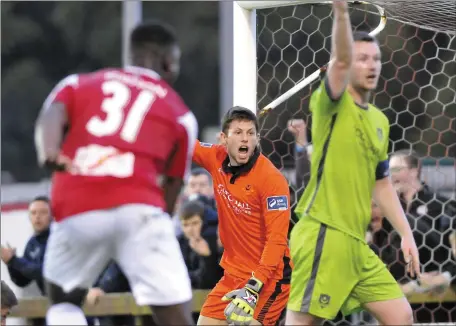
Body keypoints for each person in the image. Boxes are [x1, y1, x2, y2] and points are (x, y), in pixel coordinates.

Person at [34, 21, 198, 326]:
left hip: (77, 200)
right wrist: (154, 225)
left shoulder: (78, 82)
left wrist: (50, 151)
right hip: (140, 206)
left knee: (63, 302)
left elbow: (53, 112)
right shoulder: (180, 113)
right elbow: (173, 184)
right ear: (166, 63)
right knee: (174, 308)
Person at [286, 1, 420, 325]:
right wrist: (342, 12)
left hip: (356, 245)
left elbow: (382, 182)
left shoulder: (380, 121)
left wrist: (405, 233)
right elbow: (341, 59)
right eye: (362, 58)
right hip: (323, 234)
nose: (371, 65)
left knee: (401, 316)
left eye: (375, 58)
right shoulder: (330, 102)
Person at [194, 106, 292, 326]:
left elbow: (277, 240)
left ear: (257, 139)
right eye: (238, 133)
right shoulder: (215, 158)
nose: (245, 139)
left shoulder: (272, 180)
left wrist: (253, 286)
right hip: (234, 273)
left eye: (250, 133)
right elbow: (183, 144)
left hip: (269, 279)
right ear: (223, 139)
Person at [2, 196, 51, 296]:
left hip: (73, 300)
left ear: (52, 216)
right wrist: (10, 264)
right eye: (33, 213)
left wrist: (13, 261)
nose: (37, 216)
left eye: (43, 212)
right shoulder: (32, 243)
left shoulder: (57, 240)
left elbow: (44, 272)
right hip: (50, 301)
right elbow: (22, 281)